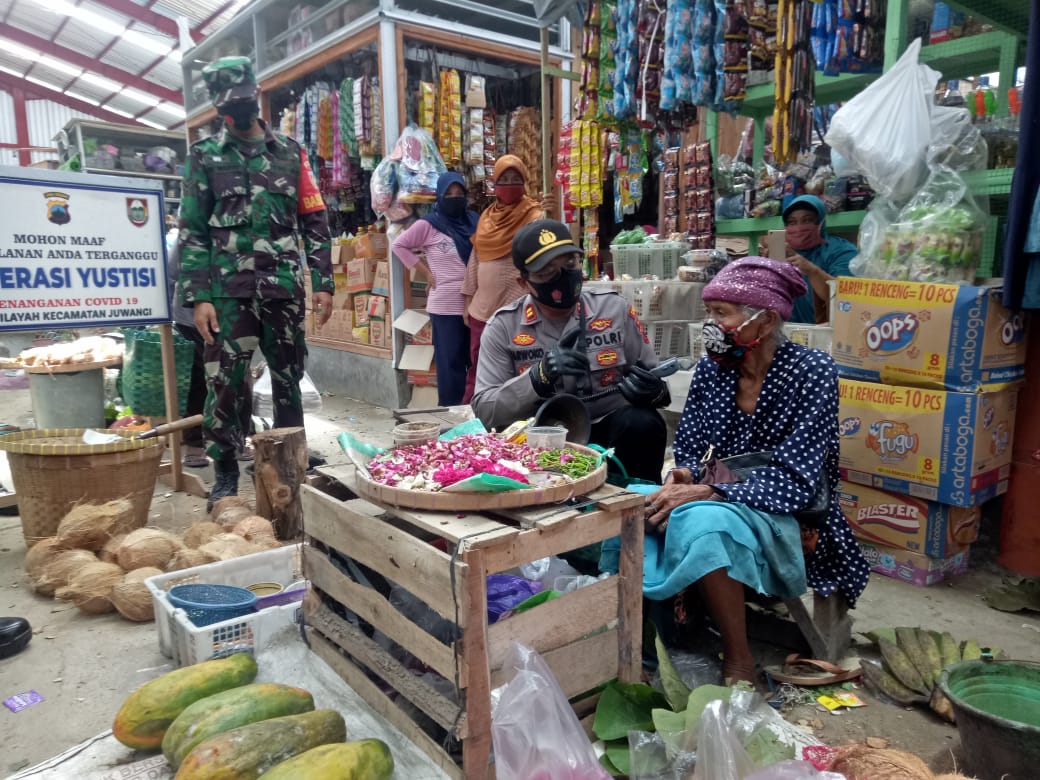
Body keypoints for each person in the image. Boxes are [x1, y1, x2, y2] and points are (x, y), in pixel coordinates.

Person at [638, 257, 869, 684]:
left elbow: (800, 473)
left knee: (705, 521)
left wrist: (712, 492)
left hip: (793, 506)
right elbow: (689, 443)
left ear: (765, 321)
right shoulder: (713, 369)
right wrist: (686, 475)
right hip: (724, 488)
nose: (711, 324)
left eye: (721, 313)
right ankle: (661, 628)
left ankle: (739, 658)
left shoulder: (813, 372)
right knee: (639, 501)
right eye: (709, 312)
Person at [178, 56, 334, 511]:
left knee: (288, 379)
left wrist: (322, 281)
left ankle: (291, 463)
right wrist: (199, 297)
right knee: (225, 384)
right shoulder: (204, 157)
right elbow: (193, 231)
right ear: (218, 109)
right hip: (228, 295)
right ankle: (226, 470)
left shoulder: (291, 153)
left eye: (244, 102)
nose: (238, 113)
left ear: (255, 96)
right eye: (229, 107)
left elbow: (314, 219)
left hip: (283, 289)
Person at [471, 219, 670, 483]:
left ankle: (643, 508)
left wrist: (654, 390)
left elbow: (656, 379)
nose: (563, 277)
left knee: (644, 423)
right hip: (542, 442)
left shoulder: (614, 309)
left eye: (570, 265)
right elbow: (484, 411)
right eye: (547, 273)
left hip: (611, 432)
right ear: (523, 282)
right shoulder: (503, 327)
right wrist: (536, 379)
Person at [461, 155, 550, 403]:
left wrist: (552, 212)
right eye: (504, 180)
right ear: (495, 185)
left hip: (521, 311)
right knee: (479, 368)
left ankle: (514, 422)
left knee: (522, 367)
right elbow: (475, 260)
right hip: (483, 310)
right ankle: (473, 423)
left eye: (515, 179)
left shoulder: (535, 215)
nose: (509, 185)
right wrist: (467, 301)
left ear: (524, 183)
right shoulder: (487, 218)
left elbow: (548, 249)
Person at [166, 227, 253, 468]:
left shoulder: (238, 229)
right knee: (198, 381)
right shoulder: (192, 231)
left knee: (239, 379)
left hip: (232, 315)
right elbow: (172, 273)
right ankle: (194, 443)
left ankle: (240, 437)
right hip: (191, 317)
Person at [392, 172, 478, 405]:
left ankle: (475, 415)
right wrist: (425, 272)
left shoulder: (475, 222)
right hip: (445, 306)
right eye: (448, 194)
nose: (454, 198)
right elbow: (399, 245)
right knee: (450, 364)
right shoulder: (429, 224)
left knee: (476, 362)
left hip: (477, 305)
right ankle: (451, 418)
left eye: (459, 194)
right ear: (439, 196)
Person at [783, 194, 858, 324]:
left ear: (820, 222)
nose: (799, 227)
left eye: (807, 220)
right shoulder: (783, 253)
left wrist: (812, 271)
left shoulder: (841, 251)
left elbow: (845, 299)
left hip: (829, 333)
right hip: (789, 333)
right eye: (792, 222)